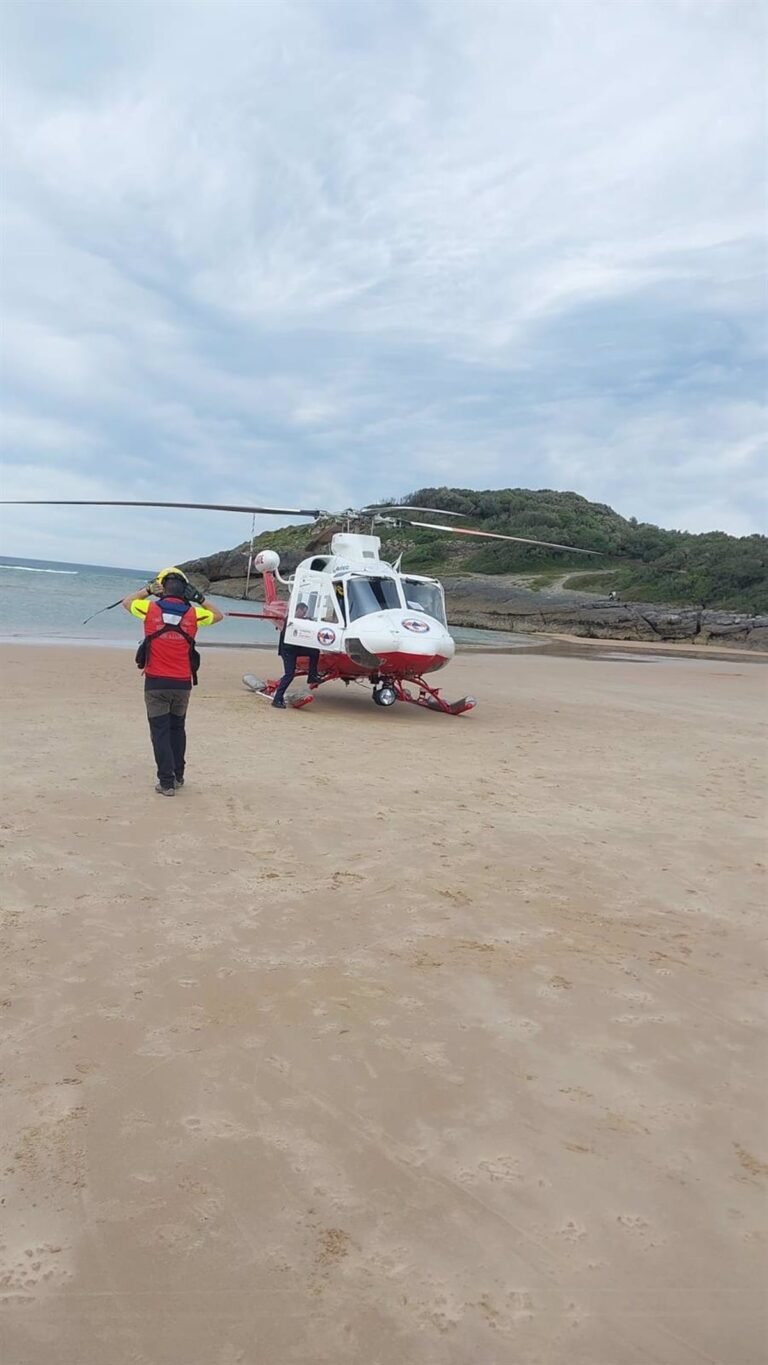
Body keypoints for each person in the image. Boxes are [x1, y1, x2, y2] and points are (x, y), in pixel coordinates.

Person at [122, 567, 223, 794]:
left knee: (160, 732)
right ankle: (178, 776)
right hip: (182, 683)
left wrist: (147, 590)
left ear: (162, 588)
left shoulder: (150, 608)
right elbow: (218, 615)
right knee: (177, 729)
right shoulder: (193, 614)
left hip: (156, 682)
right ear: (185, 590)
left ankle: (166, 782)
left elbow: (127, 602)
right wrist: (200, 599)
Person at [272, 602, 321, 709]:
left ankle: (312, 676)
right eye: (303, 612)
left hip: (294, 649)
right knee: (289, 675)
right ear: (298, 610)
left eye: (305, 612)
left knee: (314, 652)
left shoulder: (298, 620)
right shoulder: (291, 620)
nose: (304, 614)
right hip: (288, 651)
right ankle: (277, 699)